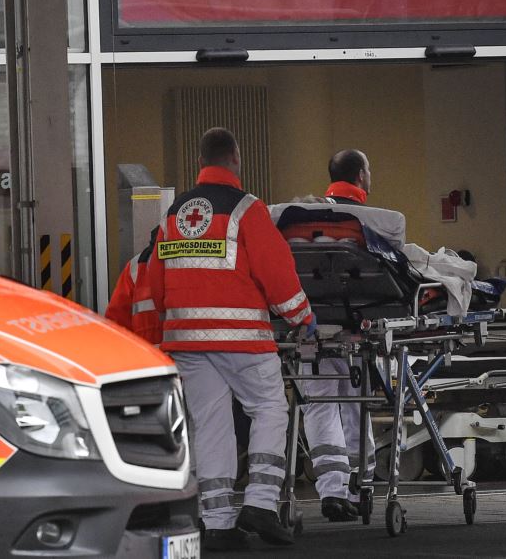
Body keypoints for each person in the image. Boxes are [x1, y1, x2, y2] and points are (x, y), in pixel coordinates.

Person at [146, 127, 313, 551]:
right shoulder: (246, 209)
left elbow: (156, 281)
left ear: (200, 161)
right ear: (236, 158)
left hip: (186, 341)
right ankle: (260, 503)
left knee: (211, 424)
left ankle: (217, 522)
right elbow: (276, 271)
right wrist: (301, 316)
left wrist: (173, 318)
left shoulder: (174, 214)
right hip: (242, 339)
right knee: (269, 408)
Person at [297, 149, 378, 517]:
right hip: (356, 329)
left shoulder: (300, 220)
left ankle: (332, 491)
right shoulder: (370, 221)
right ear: (361, 176)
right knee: (356, 405)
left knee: (320, 405)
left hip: (312, 329)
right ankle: (361, 489)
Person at [104, 227, 162, 345]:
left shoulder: (136, 266)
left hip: (146, 354)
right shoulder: (136, 267)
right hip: (194, 356)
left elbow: (116, 325)